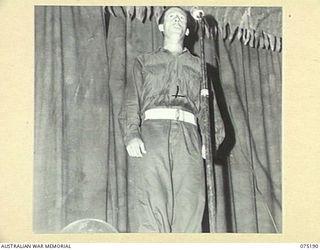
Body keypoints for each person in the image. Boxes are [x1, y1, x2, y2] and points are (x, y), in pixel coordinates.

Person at [119, 6, 206, 233]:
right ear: (161, 27)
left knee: (189, 206)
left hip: (189, 137)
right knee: (152, 204)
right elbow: (131, 100)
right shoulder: (144, 61)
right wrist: (131, 134)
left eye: (181, 18)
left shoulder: (200, 67)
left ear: (188, 30)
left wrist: (211, 141)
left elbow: (209, 108)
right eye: (171, 17)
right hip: (153, 135)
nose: (177, 20)